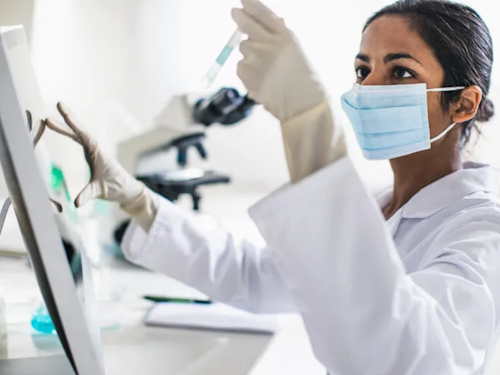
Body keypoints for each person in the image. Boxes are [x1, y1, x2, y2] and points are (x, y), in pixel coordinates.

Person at [45, 0, 500, 373]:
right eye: (363, 70)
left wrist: (307, 120)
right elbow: (256, 277)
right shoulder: (382, 208)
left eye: (400, 72)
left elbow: (410, 358)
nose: (369, 88)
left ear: (463, 102)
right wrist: (140, 201)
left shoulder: (481, 230)